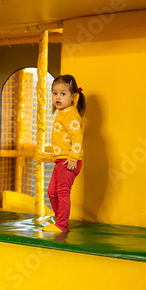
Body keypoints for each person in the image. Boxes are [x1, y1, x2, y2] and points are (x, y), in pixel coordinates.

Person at [43, 74, 86, 233]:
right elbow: (64, 138)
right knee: (51, 193)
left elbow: (77, 137)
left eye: (63, 93)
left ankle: (61, 225)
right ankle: (59, 220)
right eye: (55, 93)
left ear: (73, 96)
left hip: (68, 161)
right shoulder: (63, 113)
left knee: (62, 193)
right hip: (60, 160)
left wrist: (73, 157)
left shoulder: (70, 114)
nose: (57, 97)